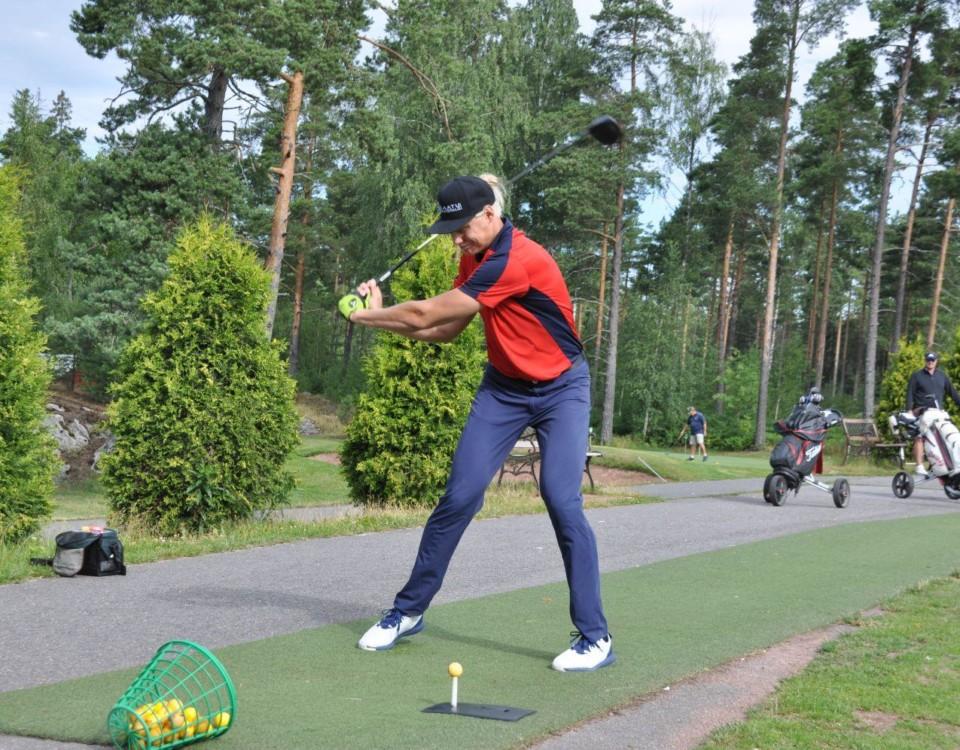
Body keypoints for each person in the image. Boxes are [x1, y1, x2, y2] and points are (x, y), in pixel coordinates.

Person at [341, 174, 613, 672]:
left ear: (490, 214)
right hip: (504, 390)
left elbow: (425, 314)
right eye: (450, 231)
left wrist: (367, 317)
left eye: (462, 228)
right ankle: (408, 611)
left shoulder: (517, 259)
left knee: (561, 498)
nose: (457, 239)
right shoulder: (475, 255)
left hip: (561, 389)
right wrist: (385, 318)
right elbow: (444, 330)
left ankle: (595, 637)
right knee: (460, 495)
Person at [906, 351, 960, 476]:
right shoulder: (917, 376)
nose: (930, 362)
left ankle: (949, 464)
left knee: (949, 434)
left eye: (933, 360)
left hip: (938, 413)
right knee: (920, 435)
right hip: (921, 411)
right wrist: (909, 409)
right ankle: (919, 465)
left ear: (936, 361)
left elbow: (953, 394)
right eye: (928, 360)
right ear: (925, 360)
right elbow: (909, 394)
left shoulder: (942, 376)